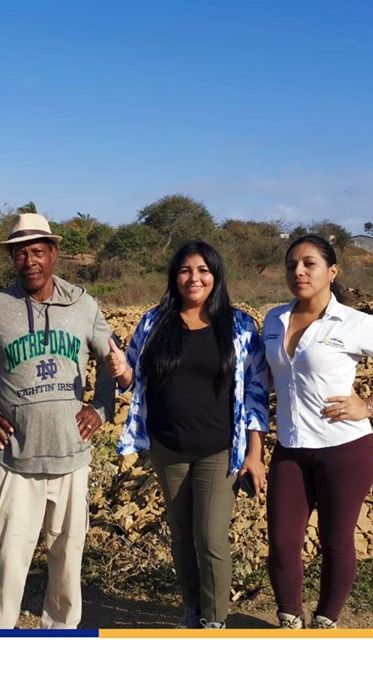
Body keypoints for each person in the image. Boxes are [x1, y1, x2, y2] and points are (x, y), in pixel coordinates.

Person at [0, 212, 115, 629]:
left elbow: (112, 356)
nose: (29, 261)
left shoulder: (83, 305)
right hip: (16, 460)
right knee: (10, 557)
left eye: (37, 251)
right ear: (12, 258)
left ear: (53, 253)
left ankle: (61, 633)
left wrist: (102, 407)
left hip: (72, 458)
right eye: (20, 254)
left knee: (68, 556)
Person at [262, 234, 373, 629]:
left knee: (335, 541)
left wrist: (369, 405)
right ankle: (290, 620)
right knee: (282, 544)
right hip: (290, 448)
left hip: (344, 449)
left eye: (309, 264)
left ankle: (326, 621)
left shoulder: (355, 323)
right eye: (291, 264)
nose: (298, 271)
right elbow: (271, 376)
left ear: (332, 271)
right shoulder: (274, 319)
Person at [106, 240, 269, 629]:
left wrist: (255, 453)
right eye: (185, 270)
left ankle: (214, 622)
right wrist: (119, 370)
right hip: (168, 447)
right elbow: (132, 379)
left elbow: (256, 392)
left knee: (210, 539)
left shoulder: (240, 325)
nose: (194, 278)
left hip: (219, 449)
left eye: (203, 271)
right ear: (174, 277)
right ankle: (192, 610)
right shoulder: (154, 322)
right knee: (181, 535)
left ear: (216, 276)